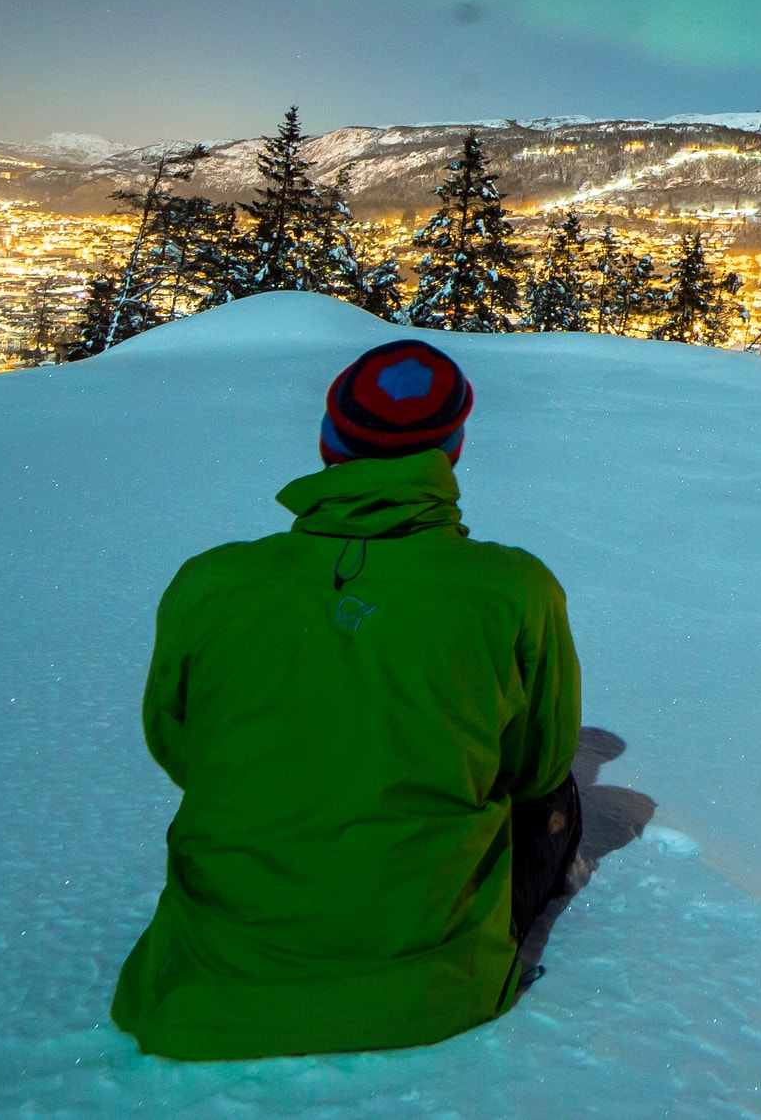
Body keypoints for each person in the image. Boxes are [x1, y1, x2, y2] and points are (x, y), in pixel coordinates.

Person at [111, 338, 651, 1060]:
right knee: (559, 800)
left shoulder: (210, 584)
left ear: (328, 442)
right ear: (451, 452)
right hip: (433, 996)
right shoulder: (513, 588)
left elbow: (180, 749)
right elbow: (536, 765)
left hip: (199, 992)